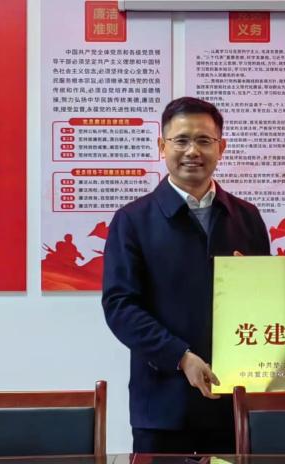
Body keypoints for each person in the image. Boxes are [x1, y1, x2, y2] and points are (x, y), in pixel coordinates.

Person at [102, 97, 270, 453]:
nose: (192, 151)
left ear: (221, 148)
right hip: (163, 408)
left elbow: (268, 306)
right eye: (181, 140)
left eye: (204, 140)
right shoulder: (133, 221)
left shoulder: (247, 218)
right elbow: (120, 306)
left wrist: (255, 288)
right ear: (162, 146)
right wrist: (181, 357)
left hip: (234, 404)